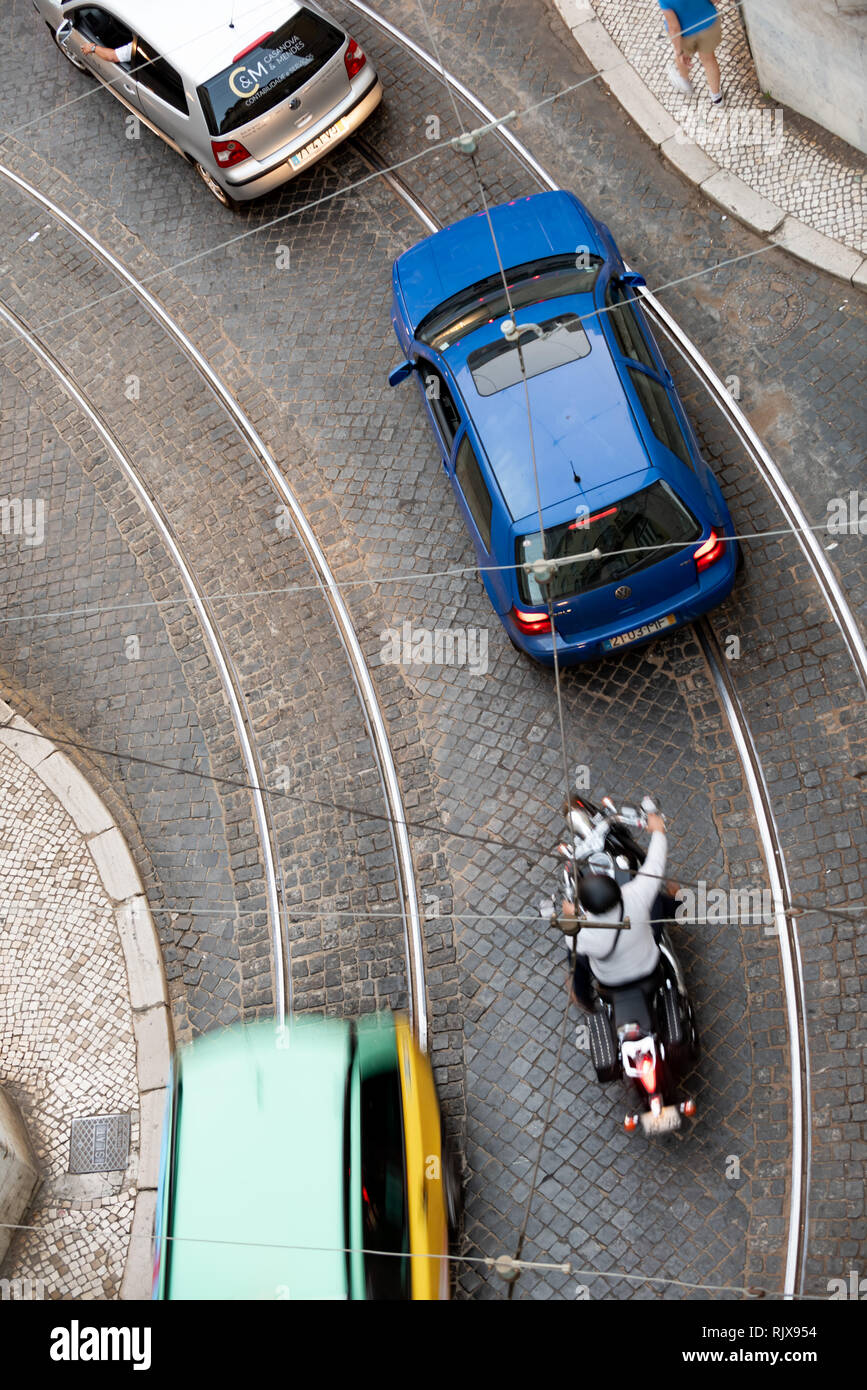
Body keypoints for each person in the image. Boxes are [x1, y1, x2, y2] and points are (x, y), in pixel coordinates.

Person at [563, 809, 672, 1011]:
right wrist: (657, 830)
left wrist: (570, 914)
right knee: (657, 900)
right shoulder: (636, 894)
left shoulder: (581, 930)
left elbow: (570, 934)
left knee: (575, 956)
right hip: (649, 967)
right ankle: (682, 908)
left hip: (610, 982)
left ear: (586, 906)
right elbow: (655, 865)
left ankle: (582, 996)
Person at [659, 1, 724, 104]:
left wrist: (679, 51)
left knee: (681, 57)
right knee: (709, 60)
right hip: (708, 24)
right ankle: (717, 97)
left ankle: (686, 83)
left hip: (686, 35)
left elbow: (674, 27)